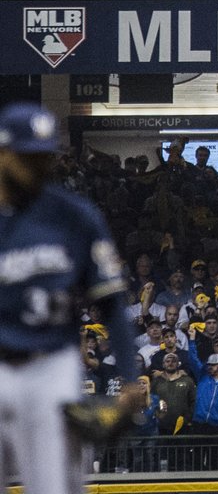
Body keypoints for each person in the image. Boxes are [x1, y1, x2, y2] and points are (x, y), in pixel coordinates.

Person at [0, 102, 143, 494]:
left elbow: (111, 302)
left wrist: (130, 377)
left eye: (45, 158)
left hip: (50, 368)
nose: (40, 168)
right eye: (29, 158)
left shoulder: (75, 216)